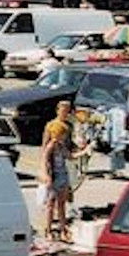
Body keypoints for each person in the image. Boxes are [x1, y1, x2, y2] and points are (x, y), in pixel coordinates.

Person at [41, 102, 76, 241]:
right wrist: (44, 171)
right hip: (53, 169)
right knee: (51, 201)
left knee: (63, 201)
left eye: (67, 111)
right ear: (57, 110)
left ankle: (63, 229)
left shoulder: (69, 127)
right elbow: (44, 149)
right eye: (63, 110)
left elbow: (70, 147)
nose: (65, 113)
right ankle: (48, 229)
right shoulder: (51, 126)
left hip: (65, 166)